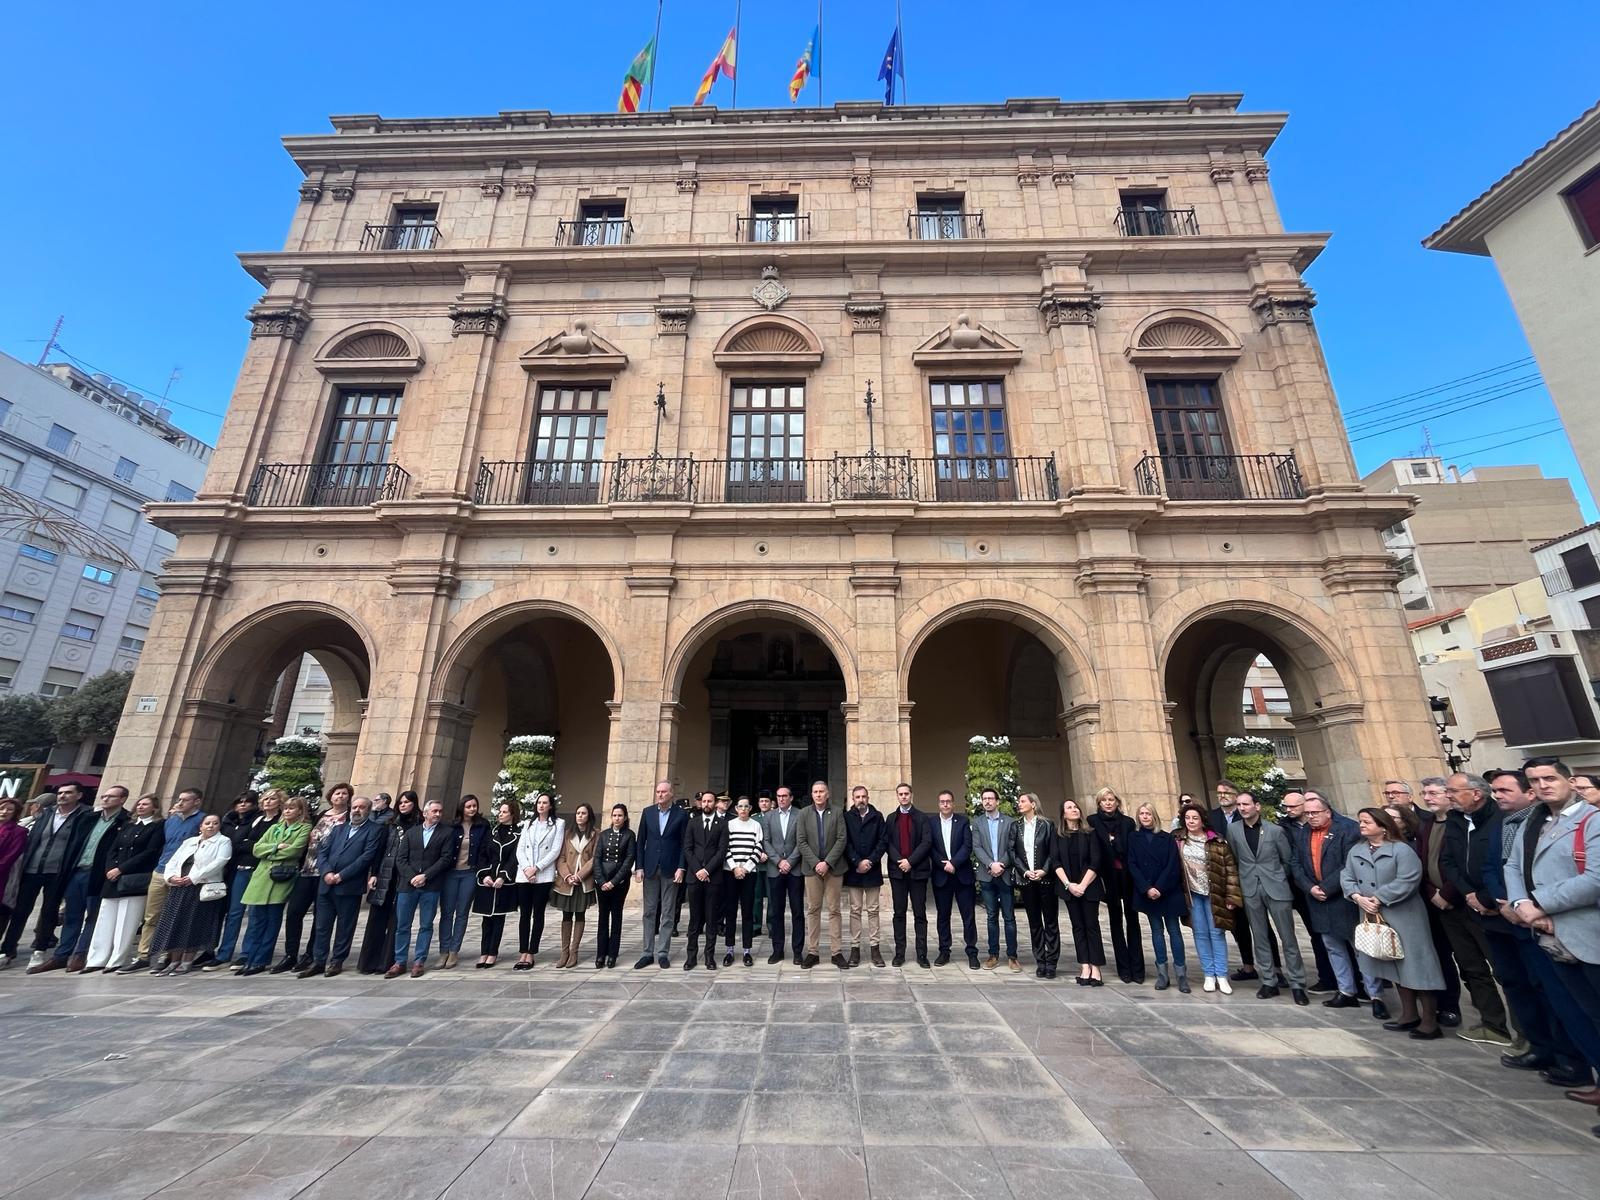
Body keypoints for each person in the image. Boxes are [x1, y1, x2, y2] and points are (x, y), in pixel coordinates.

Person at [1479, 768, 1598, 1088]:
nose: (1542, 786)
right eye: (1535, 780)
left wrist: (1537, 905)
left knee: (1583, 1007)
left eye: (1549, 779)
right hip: (1528, 921)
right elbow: (1509, 866)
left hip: (1577, 927)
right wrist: (1517, 904)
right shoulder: (1523, 823)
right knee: (1558, 1001)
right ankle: (1564, 1058)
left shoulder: (1589, 819)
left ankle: (1577, 1063)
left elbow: (1593, 879)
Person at [1341, 807, 1447, 1039]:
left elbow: (1409, 879)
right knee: (1392, 965)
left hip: (1403, 915)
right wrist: (1357, 897)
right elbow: (1346, 876)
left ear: (1383, 825)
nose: (1362, 825)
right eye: (1360, 821)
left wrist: (1379, 898)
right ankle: (1409, 1014)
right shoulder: (1357, 850)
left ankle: (1429, 1020)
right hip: (1372, 913)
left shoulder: (1401, 850)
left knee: (1417, 966)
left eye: (1367, 821)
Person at [1435, 773, 1513, 1045]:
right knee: (1471, 967)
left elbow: (1504, 864)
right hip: (1463, 904)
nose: (1448, 796)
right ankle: (1493, 1024)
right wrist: (1468, 894)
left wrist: (1485, 898)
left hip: (1494, 908)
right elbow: (1449, 861)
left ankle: (1527, 1031)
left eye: (1453, 791)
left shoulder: (1501, 820)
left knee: (1506, 971)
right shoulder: (1456, 820)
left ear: (1476, 793)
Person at [29, 784, 129, 974]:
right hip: (77, 871)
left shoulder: (125, 821)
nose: (105, 799)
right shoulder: (88, 818)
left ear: (122, 800)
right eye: (104, 796)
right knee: (71, 915)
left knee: (93, 915)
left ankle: (80, 954)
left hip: (99, 875)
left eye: (111, 796)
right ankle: (62, 955)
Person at [1226, 792, 1308, 1004]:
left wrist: (1277, 876)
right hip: (1250, 888)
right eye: (1239, 805)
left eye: (1246, 804)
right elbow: (1234, 858)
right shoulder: (1233, 830)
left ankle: (1298, 982)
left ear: (1257, 806)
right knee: (1260, 936)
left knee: (1288, 937)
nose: (1242, 808)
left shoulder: (1275, 830)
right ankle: (1268, 980)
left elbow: (1287, 860)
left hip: (1276, 888)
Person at [1288, 793, 1368, 1010]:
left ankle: (1374, 993)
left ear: (1327, 811)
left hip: (1341, 897)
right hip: (1316, 897)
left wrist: (1326, 887)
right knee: (1332, 947)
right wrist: (1310, 887)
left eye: (1315, 813)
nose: (1311, 817)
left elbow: (1348, 863)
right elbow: (1295, 863)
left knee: (1358, 947)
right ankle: (1346, 990)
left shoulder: (1347, 830)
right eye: (1308, 813)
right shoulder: (1304, 832)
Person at [4, 784, 94, 970]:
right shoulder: (47, 813)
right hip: (33, 868)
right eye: (60, 793)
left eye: (68, 793)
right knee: (20, 911)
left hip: (58, 871)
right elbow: (35, 839)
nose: (63, 796)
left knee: (49, 911)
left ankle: (40, 948)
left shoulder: (85, 816)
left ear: (78, 795)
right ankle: (8, 949)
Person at [300, 794, 383, 978]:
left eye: (361, 807)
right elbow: (322, 852)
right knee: (322, 926)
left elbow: (366, 857)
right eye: (354, 807)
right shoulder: (338, 829)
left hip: (349, 885)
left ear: (368, 811)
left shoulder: (373, 830)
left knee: (345, 926)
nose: (357, 810)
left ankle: (337, 960)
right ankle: (318, 960)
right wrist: (327, 872)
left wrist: (341, 875)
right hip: (327, 884)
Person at [82, 793, 163, 973]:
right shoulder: (128, 825)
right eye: (139, 804)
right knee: (105, 917)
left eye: (145, 804)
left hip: (134, 877)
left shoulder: (156, 826)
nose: (140, 807)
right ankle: (97, 958)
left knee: (126, 921)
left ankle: (117, 959)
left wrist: (122, 869)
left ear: (154, 808)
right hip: (113, 876)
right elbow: (113, 848)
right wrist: (111, 868)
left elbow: (150, 852)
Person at [276, 784, 350, 973]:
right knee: (294, 912)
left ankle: (311, 954)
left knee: (321, 917)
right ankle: (290, 954)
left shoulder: (350, 818)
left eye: (344, 794)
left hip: (328, 873)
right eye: (337, 793)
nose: (340, 796)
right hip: (307, 870)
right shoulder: (320, 816)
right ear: (330, 796)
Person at [236, 794, 312, 976]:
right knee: (255, 921)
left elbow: (294, 851)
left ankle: (261, 960)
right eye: (285, 808)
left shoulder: (304, 828)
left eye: (291, 808)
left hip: (281, 877)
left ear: (300, 811)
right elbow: (256, 849)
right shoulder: (275, 828)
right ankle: (250, 958)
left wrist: (269, 850)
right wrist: (277, 847)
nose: (287, 811)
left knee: (272, 920)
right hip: (262, 877)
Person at [149, 813, 231, 975]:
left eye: (215, 823)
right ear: (200, 826)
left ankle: (186, 961)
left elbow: (220, 861)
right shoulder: (189, 842)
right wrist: (171, 877)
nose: (211, 826)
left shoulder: (223, 841)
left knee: (194, 924)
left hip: (200, 887)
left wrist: (193, 878)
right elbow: (173, 860)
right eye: (207, 823)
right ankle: (173, 960)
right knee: (176, 922)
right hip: (179, 886)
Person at [1414, 776, 1466, 1029]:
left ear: (1449, 794)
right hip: (1432, 899)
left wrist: (1447, 893)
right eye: (1424, 793)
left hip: (1460, 901)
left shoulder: (1461, 823)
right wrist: (1432, 891)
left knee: (1470, 961)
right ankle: (1449, 1006)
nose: (1427, 798)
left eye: (1433, 793)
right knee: (1441, 956)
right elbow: (1422, 864)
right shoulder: (1426, 825)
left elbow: (1463, 862)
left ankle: (1493, 1018)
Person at [389, 799, 457, 978]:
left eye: (440, 811)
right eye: (434, 811)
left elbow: (446, 858)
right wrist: (412, 877)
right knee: (402, 925)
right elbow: (401, 858)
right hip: (408, 885)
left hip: (431, 885)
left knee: (426, 925)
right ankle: (400, 961)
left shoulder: (447, 833)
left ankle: (419, 960)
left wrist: (425, 876)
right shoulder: (412, 833)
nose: (438, 814)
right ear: (425, 813)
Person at [1176, 802, 1240, 993]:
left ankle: (1221, 974)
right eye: (1187, 818)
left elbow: (1230, 870)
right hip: (1193, 895)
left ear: (1202, 820)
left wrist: (1232, 897)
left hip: (1215, 893)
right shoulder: (1179, 840)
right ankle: (1208, 974)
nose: (1191, 821)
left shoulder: (1217, 841)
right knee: (1200, 934)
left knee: (1217, 933)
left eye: (1194, 818)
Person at [1129, 801, 1189, 993]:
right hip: (1148, 892)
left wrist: (1159, 887)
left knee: (1174, 931)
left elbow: (1173, 864)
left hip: (1167, 891)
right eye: (1142, 813)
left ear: (1154, 816)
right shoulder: (1134, 837)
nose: (1145, 817)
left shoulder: (1166, 838)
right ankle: (1162, 973)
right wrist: (1146, 888)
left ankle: (1181, 974)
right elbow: (1132, 864)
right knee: (1156, 932)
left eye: (1148, 813)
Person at [1207, 779, 1264, 982]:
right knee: (1238, 925)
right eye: (1219, 792)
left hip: (1250, 877)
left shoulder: (1247, 815)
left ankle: (1275, 969)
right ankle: (1248, 966)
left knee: (1261, 925)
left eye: (1227, 792)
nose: (1222, 795)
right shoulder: (1211, 817)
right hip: (1225, 878)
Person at [214, 790, 277, 969]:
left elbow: (266, 846)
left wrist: (257, 847)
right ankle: (224, 953)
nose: (268, 802)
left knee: (255, 914)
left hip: (263, 870)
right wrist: (260, 847)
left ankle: (246, 953)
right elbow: (241, 842)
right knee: (234, 912)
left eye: (272, 799)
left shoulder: (279, 821)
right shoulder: (256, 820)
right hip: (242, 867)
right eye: (266, 799)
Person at [358, 792, 418, 975]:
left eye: (407, 802)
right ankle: (369, 961)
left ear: (414, 804)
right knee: (377, 916)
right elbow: (379, 849)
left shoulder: (419, 825)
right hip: (386, 873)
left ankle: (387, 961)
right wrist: (374, 873)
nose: (403, 805)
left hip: (405, 875)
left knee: (397, 919)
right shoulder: (390, 824)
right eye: (401, 802)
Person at [1088, 787, 1144, 984]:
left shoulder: (1128, 823)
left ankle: (1137, 968)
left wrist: (1115, 841)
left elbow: (1131, 847)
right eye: (1104, 800)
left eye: (1111, 799)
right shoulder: (1092, 822)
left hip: (1127, 875)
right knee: (1115, 922)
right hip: (1108, 876)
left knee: (1133, 920)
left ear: (1117, 802)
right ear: (1099, 803)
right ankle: (1123, 967)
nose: (1108, 803)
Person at [796, 779, 848, 969]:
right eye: (815, 791)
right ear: (812, 795)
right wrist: (816, 863)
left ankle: (837, 953)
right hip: (811, 870)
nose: (818, 794)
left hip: (834, 869)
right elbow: (801, 841)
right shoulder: (803, 814)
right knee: (813, 910)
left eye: (821, 791)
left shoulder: (837, 812)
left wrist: (827, 862)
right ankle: (813, 952)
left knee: (834, 910)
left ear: (828, 794)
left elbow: (842, 839)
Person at [635, 780, 686, 969]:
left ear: (672, 793)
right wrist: (639, 866)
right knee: (649, 912)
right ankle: (647, 953)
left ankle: (663, 952)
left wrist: (681, 867)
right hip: (650, 868)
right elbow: (641, 842)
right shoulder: (648, 812)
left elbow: (684, 844)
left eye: (664, 791)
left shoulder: (681, 815)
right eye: (658, 791)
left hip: (671, 869)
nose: (660, 794)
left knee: (667, 912)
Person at [1054, 798, 1104, 985]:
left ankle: (1096, 968)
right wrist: (1069, 885)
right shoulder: (1058, 836)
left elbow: (1095, 861)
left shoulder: (1090, 833)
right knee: (1078, 927)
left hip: (1089, 887)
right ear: (1063, 814)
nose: (1074, 810)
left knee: (1091, 926)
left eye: (1075, 807)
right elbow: (1056, 862)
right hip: (1069, 889)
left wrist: (1082, 885)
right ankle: (1084, 965)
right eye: (1069, 807)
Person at [928, 789, 978, 969]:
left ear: (953, 804)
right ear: (938, 804)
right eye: (942, 801)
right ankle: (944, 951)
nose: (945, 804)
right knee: (943, 916)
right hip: (941, 876)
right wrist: (943, 865)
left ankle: (972, 952)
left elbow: (967, 845)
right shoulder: (931, 822)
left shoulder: (963, 821)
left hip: (962, 875)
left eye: (948, 801)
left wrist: (954, 863)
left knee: (968, 916)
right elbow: (930, 847)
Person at [514, 793, 563, 970]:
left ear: (550, 806)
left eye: (545, 803)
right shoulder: (528, 824)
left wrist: (537, 868)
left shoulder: (558, 824)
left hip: (543, 875)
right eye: (539, 803)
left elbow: (555, 850)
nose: (541, 806)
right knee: (524, 914)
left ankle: (532, 952)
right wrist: (527, 868)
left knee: (538, 914)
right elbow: (520, 849)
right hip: (524, 874)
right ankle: (522, 952)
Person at [886, 781, 932, 968]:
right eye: (900, 794)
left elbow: (926, 842)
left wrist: (910, 861)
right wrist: (900, 861)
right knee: (899, 913)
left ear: (911, 795)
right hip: (898, 873)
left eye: (906, 793)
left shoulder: (921, 818)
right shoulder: (891, 818)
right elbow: (887, 843)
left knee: (920, 914)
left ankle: (922, 954)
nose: (903, 796)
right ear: (897, 796)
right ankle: (899, 953)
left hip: (917, 872)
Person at [1012, 792, 1058, 978]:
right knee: (1034, 923)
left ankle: (1052, 961)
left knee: (1051, 921)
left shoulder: (1047, 824)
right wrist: (1024, 871)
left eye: (1023, 801)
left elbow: (1053, 851)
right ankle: (1040, 960)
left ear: (1033, 804)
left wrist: (1044, 870)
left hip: (1045, 879)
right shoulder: (1016, 826)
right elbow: (1012, 851)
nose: (1019, 804)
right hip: (1027, 880)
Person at [438, 795, 487, 969]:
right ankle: (443, 950)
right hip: (451, 873)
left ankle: (454, 950)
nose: (472, 809)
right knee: (447, 912)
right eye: (468, 806)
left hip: (469, 872)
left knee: (462, 912)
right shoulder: (451, 826)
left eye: (474, 806)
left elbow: (483, 850)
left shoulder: (482, 825)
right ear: (462, 808)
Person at [973, 788, 1019, 971]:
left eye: (991, 798)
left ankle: (1013, 956)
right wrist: (991, 865)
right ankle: (993, 955)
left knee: (1009, 917)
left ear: (997, 801)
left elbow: (1012, 847)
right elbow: (976, 847)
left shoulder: (1009, 822)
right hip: (987, 875)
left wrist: (1001, 865)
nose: (987, 801)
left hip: (1005, 874)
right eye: (984, 798)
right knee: (991, 916)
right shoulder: (977, 822)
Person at [473, 799, 522, 968]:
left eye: (504, 812)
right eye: (500, 812)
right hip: (488, 880)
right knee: (486, 919)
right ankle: (483, 952)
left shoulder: (518, 834)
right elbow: (482, 855)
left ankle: (493, 952)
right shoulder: (491, 832)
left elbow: (514, 858)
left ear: (512, 814)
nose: (500, 814)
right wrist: (484, 875)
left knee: (498, 918)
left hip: (503, 882)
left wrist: (503, 876)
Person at [843, 785, 888, 968]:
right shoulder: (846, 817)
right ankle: (855, 950)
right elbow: (844, 841)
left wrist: (870, 861)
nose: (860, 800)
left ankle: (875, 949)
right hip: (854, 871)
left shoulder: (877, 817)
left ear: (868, 798)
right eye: (857, 797)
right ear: (852, 799)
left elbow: (883, 841)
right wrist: (856, 861)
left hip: (872, 870)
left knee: (873, 910)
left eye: (863, 797)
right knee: (855, 910)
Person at [683, 790, 728, 971]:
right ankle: (691, 956)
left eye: (710, 801)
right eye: (704, 801)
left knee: (711, 918)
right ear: (701, 803)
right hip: (695, 877)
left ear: (715, 803)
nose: (707, 804)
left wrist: (707, 870)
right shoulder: (692, 822)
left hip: (713, 877)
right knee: (694, 919)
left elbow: (722, 850)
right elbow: (687, 848)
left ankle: (709, 956)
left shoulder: (722, 824)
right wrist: (698, 870)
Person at [761, 784, 804, 965]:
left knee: (797, 911)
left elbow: (802, 840)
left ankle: (797, 951)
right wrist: (779, 861)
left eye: (785, 796)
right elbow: (766, 841)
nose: (781, 799)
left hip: (795, 870)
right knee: (776, 912)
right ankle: (777, 950)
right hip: (775, 869)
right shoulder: (769, 816)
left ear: (791, 798)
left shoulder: (800, 815)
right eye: (778, 796)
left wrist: (790, 861)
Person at [551, 802, 598, 968]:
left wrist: (579, 876)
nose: (580, 816)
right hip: (567, 881)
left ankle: (574, 951)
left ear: (589, 816)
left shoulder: (595, 835)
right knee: (566, 915)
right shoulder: (567, 834)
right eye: (578, 813)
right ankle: (564, 952)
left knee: (579, 914)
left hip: (583, 881)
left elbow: (594, 859)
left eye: (583, 813)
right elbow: (561, 857)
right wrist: (567, 875)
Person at [719, 797, 763, 966]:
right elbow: (725, 847)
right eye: (740, 806)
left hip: (749, 873)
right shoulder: (729, 825)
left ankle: (746, 951)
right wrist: (734, 867)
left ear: (750, 808)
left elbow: (758, 848)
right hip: (730, 873)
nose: (743, 809)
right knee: (730, 912)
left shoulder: (756, 825)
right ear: (736, 808)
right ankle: (729, 950)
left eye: (746, 806)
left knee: (747, 913)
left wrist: (745, 868)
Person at [594, 802, 635, 968]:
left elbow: (629, 860)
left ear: (625, 818)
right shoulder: (603, 835)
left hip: (619, 883)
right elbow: (597, 858)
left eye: (620, 815)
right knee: (602, 918)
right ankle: (600, 954)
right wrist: (602, 881)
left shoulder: (630, 835)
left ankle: (612, 954)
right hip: (602, 882)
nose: (617, 818)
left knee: (616, 918)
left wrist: (613, 882)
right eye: (614, 815)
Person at [0, 799, 25, 962]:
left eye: (9, 809)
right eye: (2, 808)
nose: (4, 811)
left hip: (3, 877)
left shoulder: (19, 831)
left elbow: (11, 856)